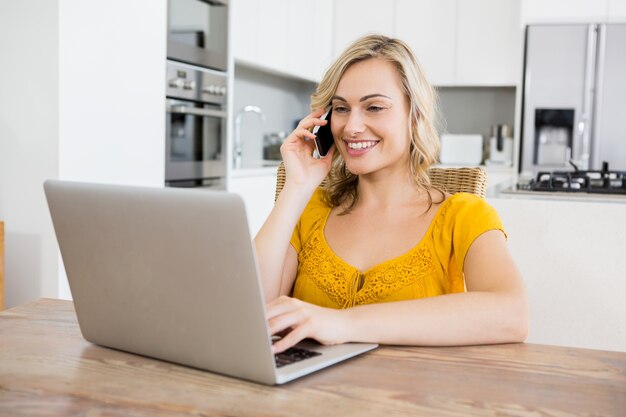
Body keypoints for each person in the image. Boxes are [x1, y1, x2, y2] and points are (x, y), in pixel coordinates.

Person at [254, 34, 528, 354]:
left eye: (374, 107)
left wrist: (343, 323)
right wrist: (297, 187)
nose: (352, 127)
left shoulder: (464, 215)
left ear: (415, 116)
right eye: (341, 108)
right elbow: (251, 310)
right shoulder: (309, 209)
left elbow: (512, 314)